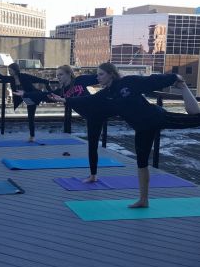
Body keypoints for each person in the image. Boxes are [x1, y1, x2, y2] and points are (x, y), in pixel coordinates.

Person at [51, 62, 200, 208]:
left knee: (194, 118)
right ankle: (143, 200)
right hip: (141, 129)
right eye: (97, 75)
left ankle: (184, 87)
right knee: (141, 163)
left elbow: (151, 81)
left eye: (101, 74)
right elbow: (88, 99)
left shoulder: (128, 82)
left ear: (111, 74)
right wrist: (65, 99)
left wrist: (174, 77)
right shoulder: (106, 94)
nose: (98, 78)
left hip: (156, 118)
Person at [0, 61, 51, 142]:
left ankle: (61, 96)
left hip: (33, 96)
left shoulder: (24, 76)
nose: (9, 72)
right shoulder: (11, 79)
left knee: (50, 100)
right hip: (27, 99)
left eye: (10, 70)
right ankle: (32, 136)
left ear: (15, 70)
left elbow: (36, 79)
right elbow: (1, 77)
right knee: (30, 118)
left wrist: (46, 83)